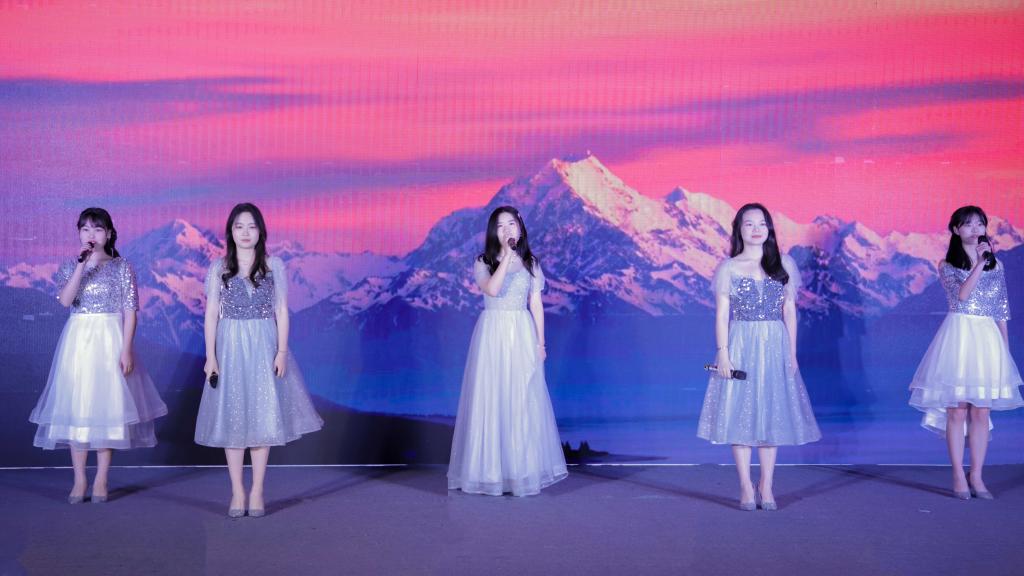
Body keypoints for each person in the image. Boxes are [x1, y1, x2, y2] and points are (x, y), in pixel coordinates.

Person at [30, 207, 167, 504]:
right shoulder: (70, 266)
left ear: (109, 233)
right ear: (79, 233)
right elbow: (66, 300)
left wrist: (126, 348)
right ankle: (79, 479)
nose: (91, 234)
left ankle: (102, 479)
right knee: (77, 407)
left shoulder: (122, 267)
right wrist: (81, 265)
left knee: (109, 408)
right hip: (79, 341)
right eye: (85, 229)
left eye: (98, 229)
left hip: (109, 339)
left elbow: (131, 311)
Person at [195, 203, 323, 517]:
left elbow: (281, 311)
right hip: (230, 346)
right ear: (230, 231)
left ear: (261, 231)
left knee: (262, 416)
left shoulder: (273, 266)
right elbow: (211, 314)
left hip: (264, 345)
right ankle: (237, 491)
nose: (245, 232)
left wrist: (281, 351)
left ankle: (257, 490)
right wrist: (211, 356)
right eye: (239, 226)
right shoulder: (218, 268)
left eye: (251, 226)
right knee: (232, 419)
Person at [697, 202, 820, 510]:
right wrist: (723, 354)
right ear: (739, 229)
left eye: (762, 223)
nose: (756, 229)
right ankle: (744, 486)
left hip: (775, 343)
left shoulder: (783, 263)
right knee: (738, 412)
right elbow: (721, 315)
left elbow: (789, 311)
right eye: (749, 223)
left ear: (769, 229)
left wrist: (792, 352)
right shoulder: (728, 267)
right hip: (741, 342)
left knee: (771, 413)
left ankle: (766, 484)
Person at [447, 206, 568, 496]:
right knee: (491, 398)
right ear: (493, 232)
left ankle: (520, 473)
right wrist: (506, 258)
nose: (507, 230)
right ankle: (489, 473)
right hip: (493, 333)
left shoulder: (532, 263)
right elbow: (492, 289)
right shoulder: (483, 262)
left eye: (511, 224)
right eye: (500, 226)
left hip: (522, 333)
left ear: (520, 228)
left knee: (522, 399)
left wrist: (541, 343)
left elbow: (535, 304)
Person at [909, 205, 1022, 499]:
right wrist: (980, 263)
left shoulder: (997, 266)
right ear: (956, 229)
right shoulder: (947, 265)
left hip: (987, 339)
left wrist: (1005, 351)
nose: (975, 229)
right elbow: (962, 295)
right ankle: (958, 473)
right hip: (959, 337)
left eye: (980, 224)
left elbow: (1001, 309)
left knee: (981, 411)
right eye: (968, 224)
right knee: (957, 409)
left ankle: (977, 475)